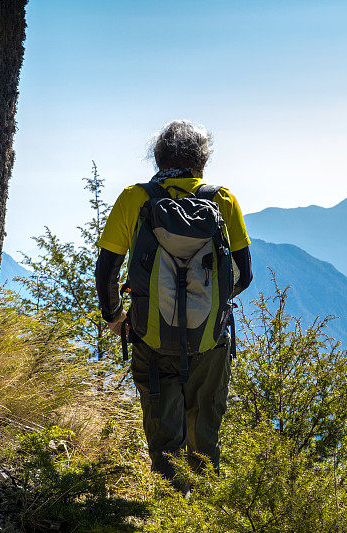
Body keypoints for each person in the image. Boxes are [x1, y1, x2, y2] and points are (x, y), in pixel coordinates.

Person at [94, 120, 252, 486]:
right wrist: (209, 302)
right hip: (210, 342)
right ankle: (204, 515)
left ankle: (168, 510)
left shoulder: (135, 198)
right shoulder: (222, 200)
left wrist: (116, 317)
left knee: (165, 439)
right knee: (205, 437)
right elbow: (244, 275)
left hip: (152, 338)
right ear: (203, 159)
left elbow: (107, 270)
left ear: (158, 157)